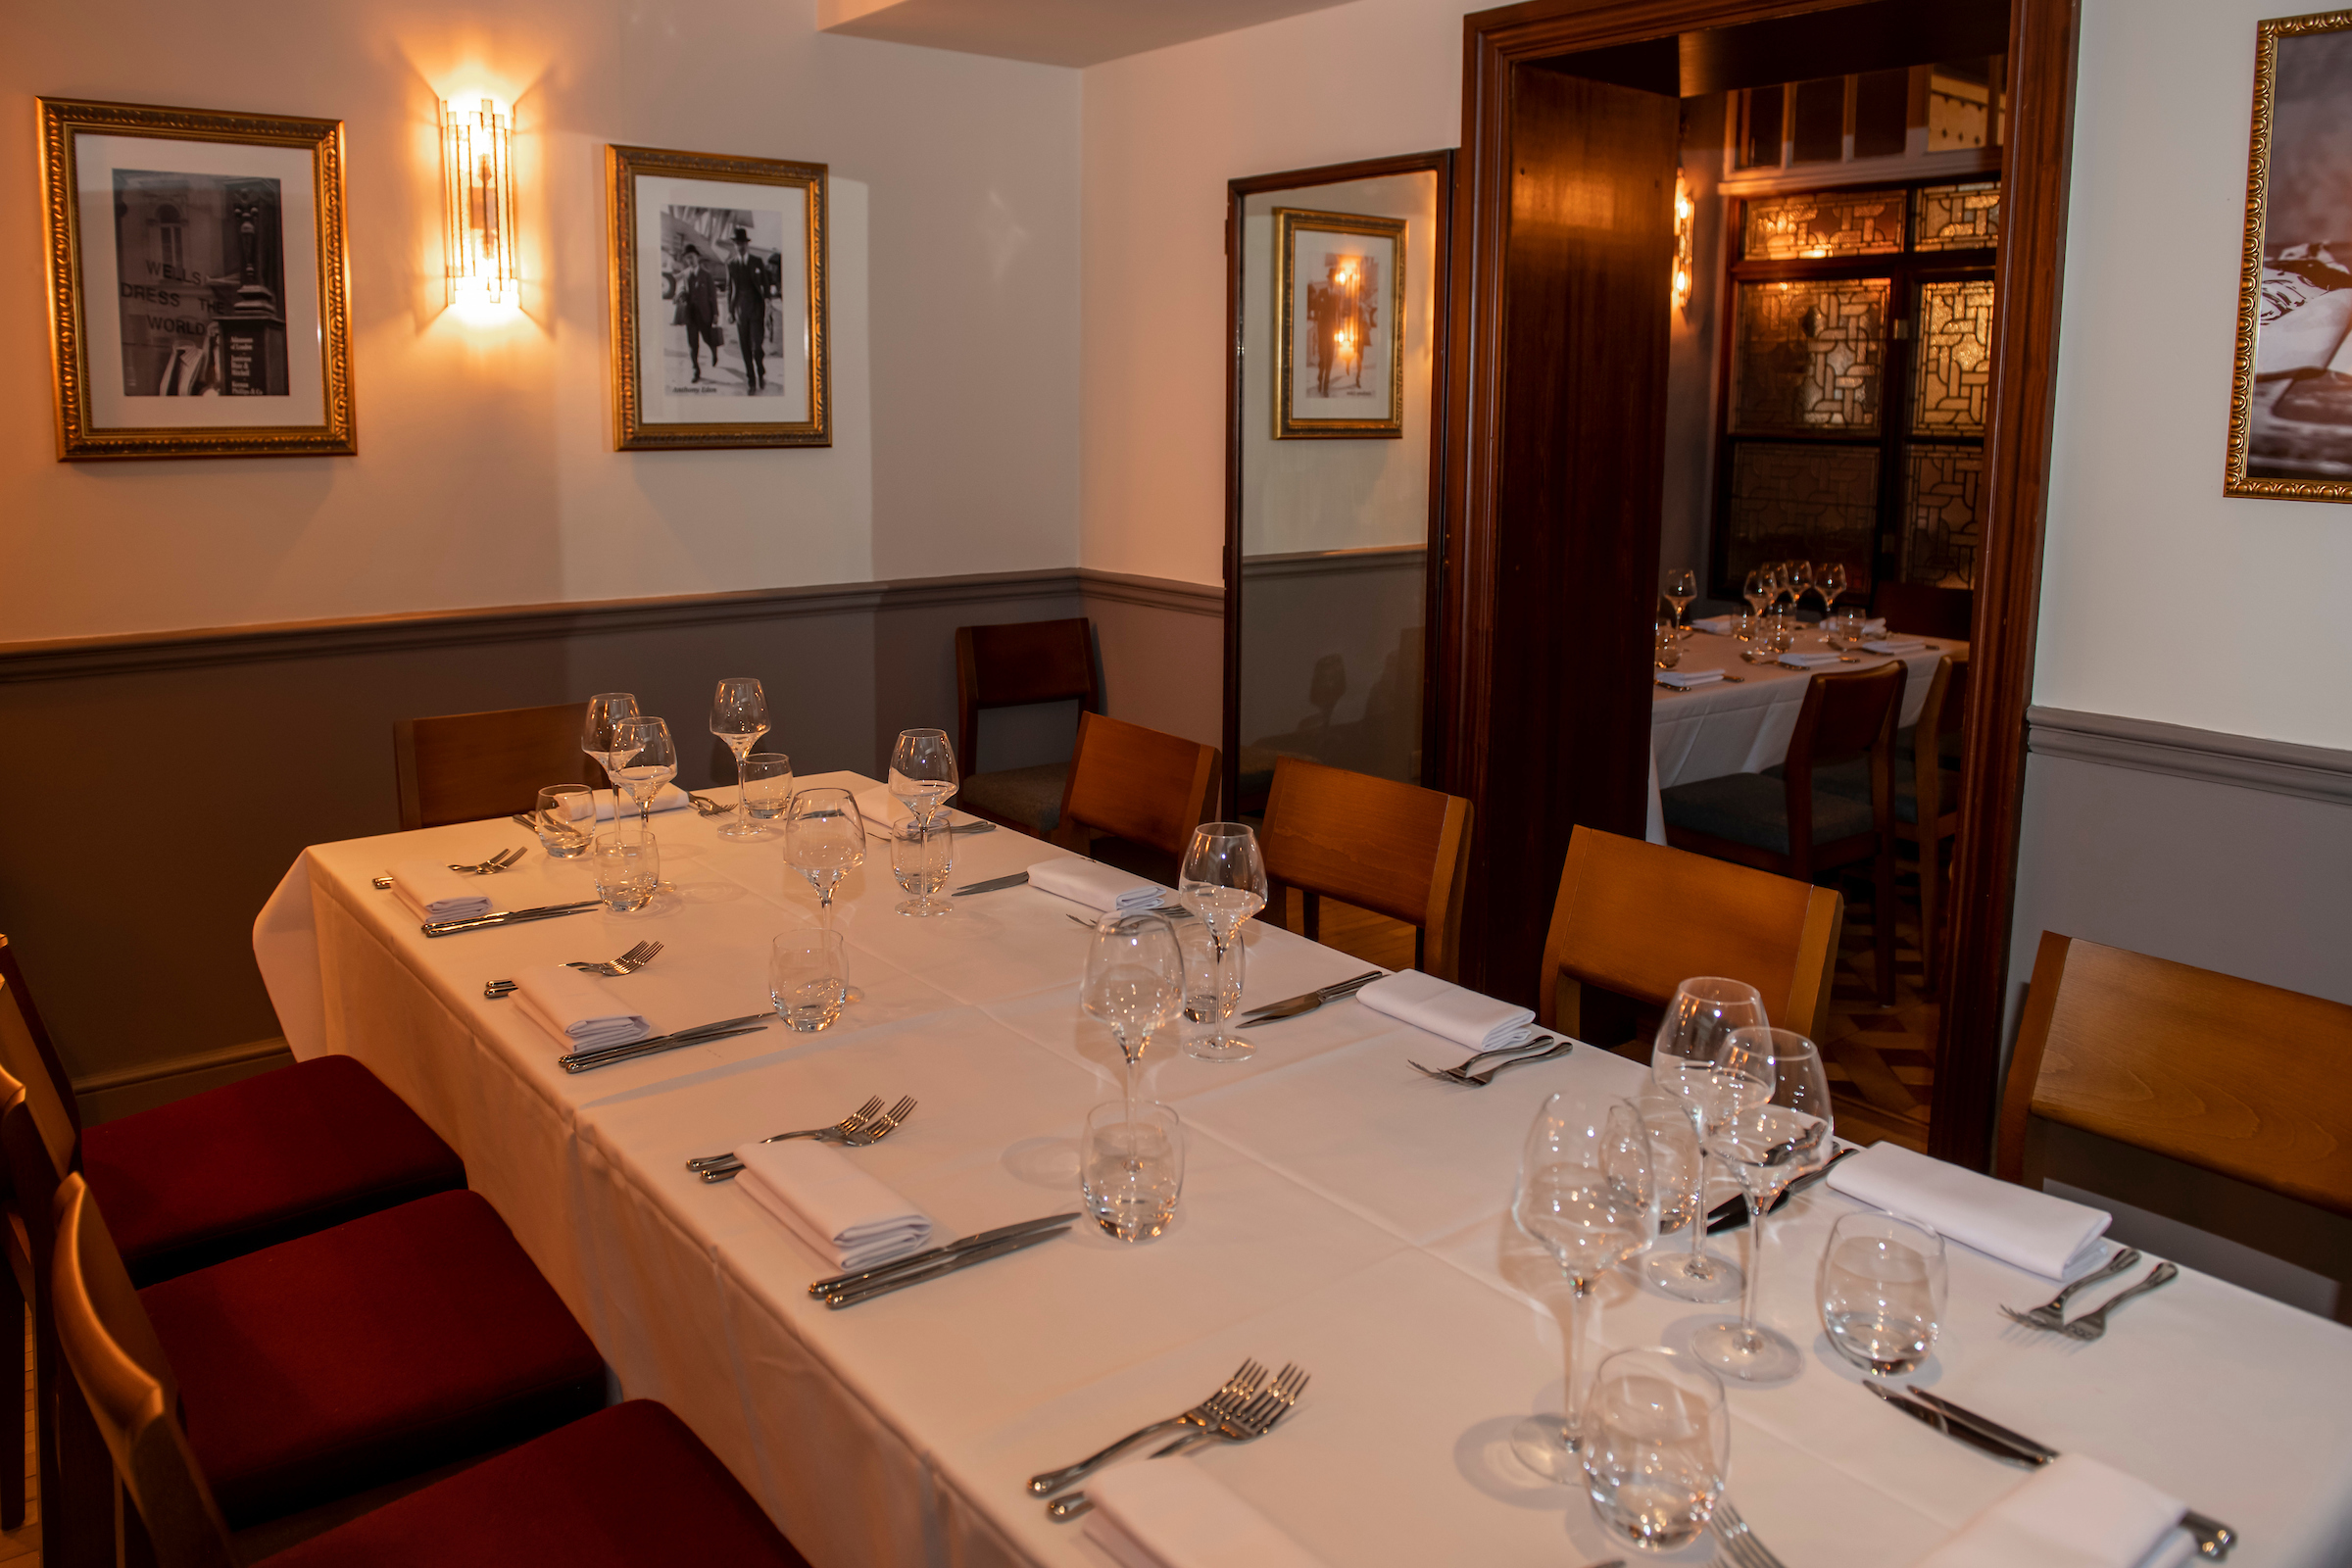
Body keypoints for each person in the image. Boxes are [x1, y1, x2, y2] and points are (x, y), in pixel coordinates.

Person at [725, 227, 767, 393]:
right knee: (744, 346)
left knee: (757, 346)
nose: (739, 246)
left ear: (746, 244)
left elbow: (765, 283)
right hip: (740, 310)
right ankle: (751, 380)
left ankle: (760, 371)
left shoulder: (757, 261)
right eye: (736, 243)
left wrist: (769, 302)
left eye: (742, 242)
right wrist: (730, 311)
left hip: (756, 308)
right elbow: (729, 289)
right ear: (734, 245)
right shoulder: (731, 264)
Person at [674, 246, 721, 384]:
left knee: (708, 339)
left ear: (697, 257)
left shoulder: (706, 275)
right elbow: (681, 288)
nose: (690, 260)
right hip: (690, 315)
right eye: (687, 257)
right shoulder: (685, 274)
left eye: (692, 257)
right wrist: (681, 294)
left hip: (705, 315)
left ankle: (714, 352)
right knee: (692, 344)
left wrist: (715, 314)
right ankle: (696, 370)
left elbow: (713, 296)